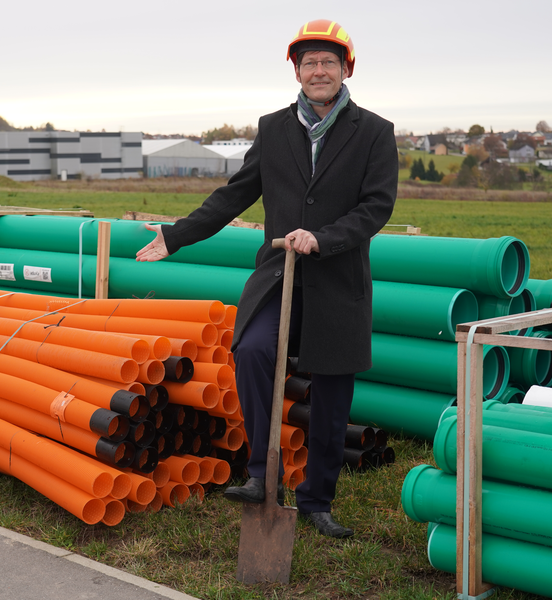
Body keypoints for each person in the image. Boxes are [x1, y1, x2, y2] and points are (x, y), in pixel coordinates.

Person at [136, 19, 398, 538]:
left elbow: (377, 206)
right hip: (280, 276)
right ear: (296, 72)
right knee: (252, 350)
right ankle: (261, 474)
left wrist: (324, 237)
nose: (318, 71)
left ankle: (318, 499)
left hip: (337, 281)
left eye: (328, 62)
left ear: (346, 68)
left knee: (330, 391)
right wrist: (177, 234)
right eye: (308, 63)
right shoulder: (274, 128)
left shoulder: (373, 132)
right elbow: (236, 193)